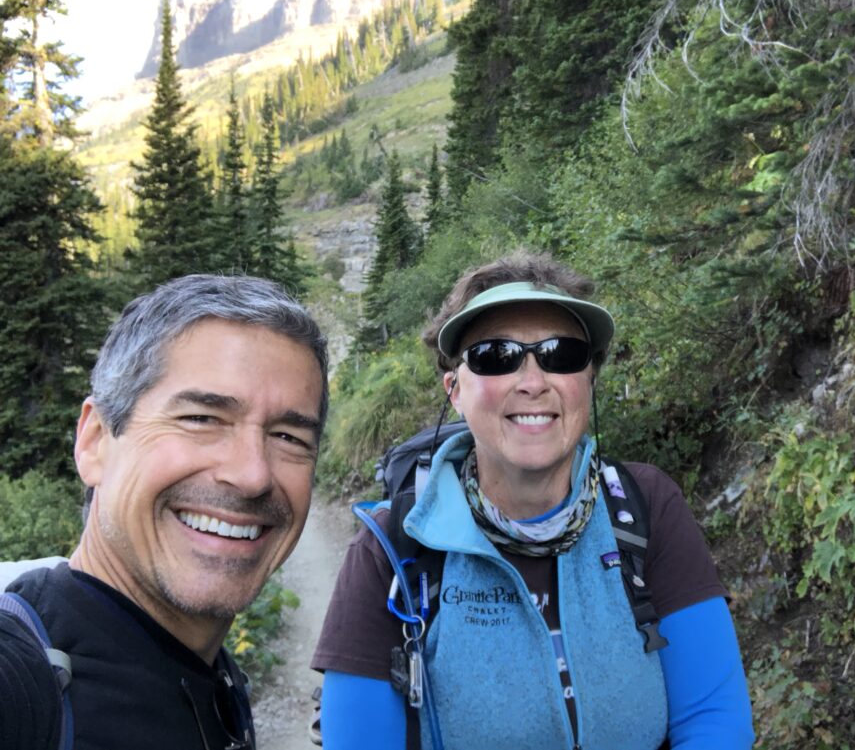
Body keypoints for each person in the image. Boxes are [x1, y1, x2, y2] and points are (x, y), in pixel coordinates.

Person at [312, 252, 755, 749]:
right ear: (454, 389)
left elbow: (715, 722)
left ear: (589, 380)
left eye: (560, 354)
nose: (532, 381)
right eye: (496, 356)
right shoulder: (394, 548)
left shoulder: (644, 507)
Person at [0, 274, 329, 750]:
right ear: (94, 442)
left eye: (289, 437)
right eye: (201, 418)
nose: (253, 474)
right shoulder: (20, 685)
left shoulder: (211, 678)